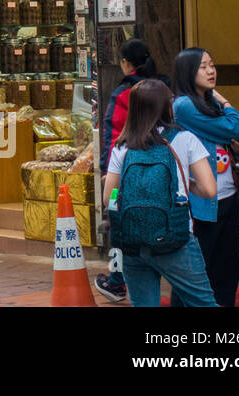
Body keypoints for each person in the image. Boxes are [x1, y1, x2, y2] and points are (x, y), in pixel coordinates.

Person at [104, 78, 218, 307]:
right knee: (203, 303)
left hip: (133, 241)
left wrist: (120, 196)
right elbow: (209, 190)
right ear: (167, 106)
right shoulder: (185, 139)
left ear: (134, 108)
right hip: (175, 238)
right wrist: (187, 183)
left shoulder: (122, 145)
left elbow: (110, 197)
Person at [172, 47, 239, 307]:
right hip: (201, 201)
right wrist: (224, 100)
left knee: (226, 269)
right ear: (188, 71)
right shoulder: (183, 106)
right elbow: (235, 127)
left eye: (212, 65)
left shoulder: (207, 104)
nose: (211, 70)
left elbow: (231, 138)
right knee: (198, 269)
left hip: (227, 195)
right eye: (203, 66)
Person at [96, 38, 163, 302]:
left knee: (117, 220)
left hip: (124, 171)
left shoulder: (124, 92)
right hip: (160, 168)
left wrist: (106, 168)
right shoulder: (162, 87)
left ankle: (116, 280)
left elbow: (112, 133)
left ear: (125, 63)